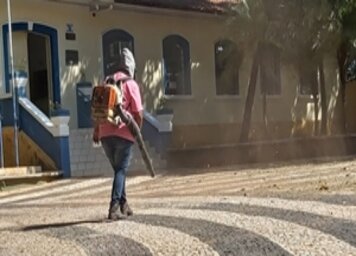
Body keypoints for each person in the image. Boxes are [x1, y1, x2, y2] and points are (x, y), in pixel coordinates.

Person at [93, 48, 143, 220]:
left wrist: (96, 131)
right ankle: (114, 207)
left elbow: (99, 107)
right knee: (121, 170)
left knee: (118, 170)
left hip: (105, 134)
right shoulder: (131, 84)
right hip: (123, 134)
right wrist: (137, 131)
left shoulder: (107, 81)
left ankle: (124, 205)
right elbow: (138, 113)